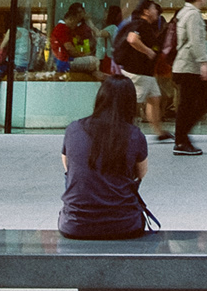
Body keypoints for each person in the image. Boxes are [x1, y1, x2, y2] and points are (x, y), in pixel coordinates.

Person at [59, 74, 151, 239]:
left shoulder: (74, 129)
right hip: (124, 224)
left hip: (75, 224)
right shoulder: (134, 134)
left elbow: (68, 166)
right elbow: (141, 173)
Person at [114, 0, 168, 141]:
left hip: (145, 73)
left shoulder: (144, 25)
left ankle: (159, 132)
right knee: (132, 104)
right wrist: (148, 51)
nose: (156, 11)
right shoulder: (141, 24)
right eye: (153, 8)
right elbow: (132, 39)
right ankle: (121, 131)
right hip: (138, 73)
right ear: (146, 11)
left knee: (154, 99)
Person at [172, 0, 207, 156]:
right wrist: (204, 62)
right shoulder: (194, 14)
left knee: (187, 104)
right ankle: (181, 139)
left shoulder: (183, 12)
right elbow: (196, 41)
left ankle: (181, 139)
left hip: (183, 64)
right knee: (202, 101)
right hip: (189, 66)